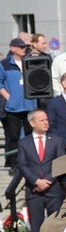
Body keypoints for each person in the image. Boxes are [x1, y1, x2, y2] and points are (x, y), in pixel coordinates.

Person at [18, 110, 66, 232]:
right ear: (32, 123)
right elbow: (22, 165)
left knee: (55, 227)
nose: (46, 122)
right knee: (36, 229)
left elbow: (60, 162)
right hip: (34, 192)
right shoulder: (24, 142)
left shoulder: (56, 140)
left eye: (47, 119)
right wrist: (36, 181)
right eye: (42, 120)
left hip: (54, 190)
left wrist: (47, 181)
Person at [0, 38, 37, 170]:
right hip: (13, 107)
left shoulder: (30, 62)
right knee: (13, 136)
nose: (24, 49)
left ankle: (29, 162)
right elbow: (0, 83)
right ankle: (14, 164)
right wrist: (8, 97)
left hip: (29, 105)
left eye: (25, 47)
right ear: (12, 48)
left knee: (29, 135)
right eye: (21, 47)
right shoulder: (5, 64)